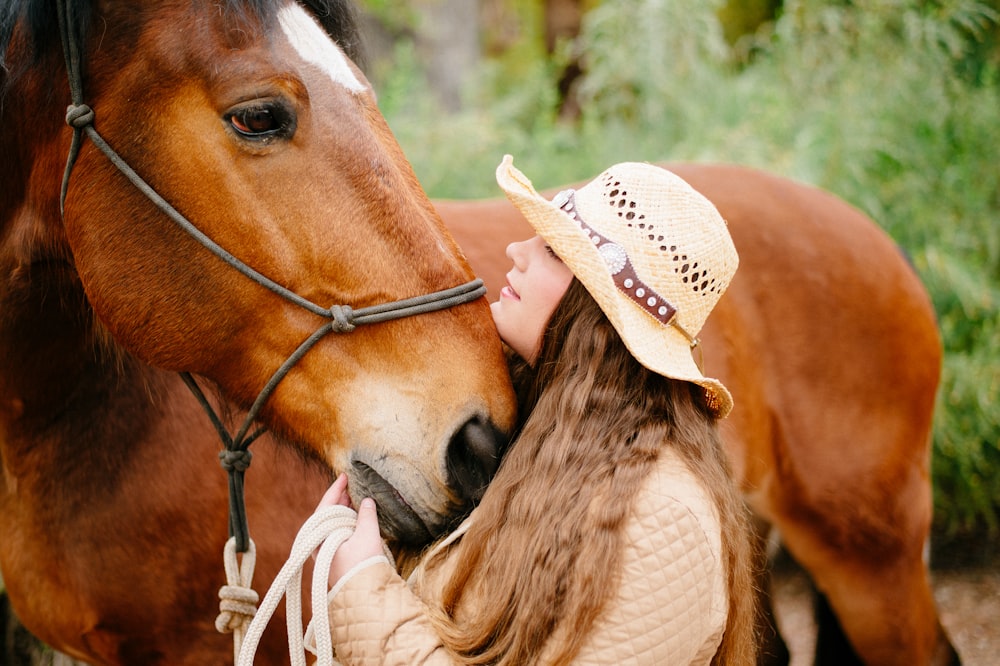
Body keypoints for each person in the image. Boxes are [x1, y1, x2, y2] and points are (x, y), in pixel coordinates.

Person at [314, 154, 758, 665]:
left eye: (552, 250)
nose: (517, 250)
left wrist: (360, 586)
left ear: (596, 311)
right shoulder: (537, 437)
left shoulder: (663, 521)